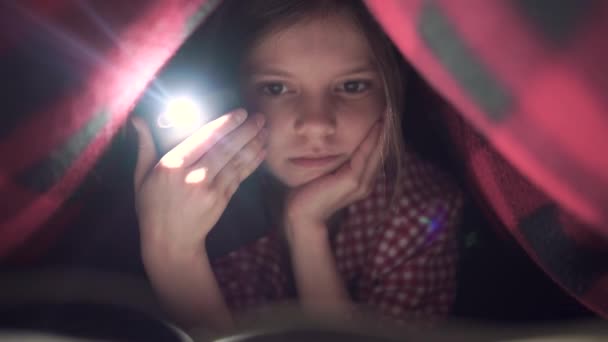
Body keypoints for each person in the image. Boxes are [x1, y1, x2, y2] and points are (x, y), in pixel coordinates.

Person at [130, 0, 463, 332]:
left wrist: (306, 231)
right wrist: (175, 248)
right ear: (235, 95)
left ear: (391, 92)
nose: (316, 125)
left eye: (352, 86)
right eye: (276, 88)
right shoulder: (199, 200)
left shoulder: (420, 209)